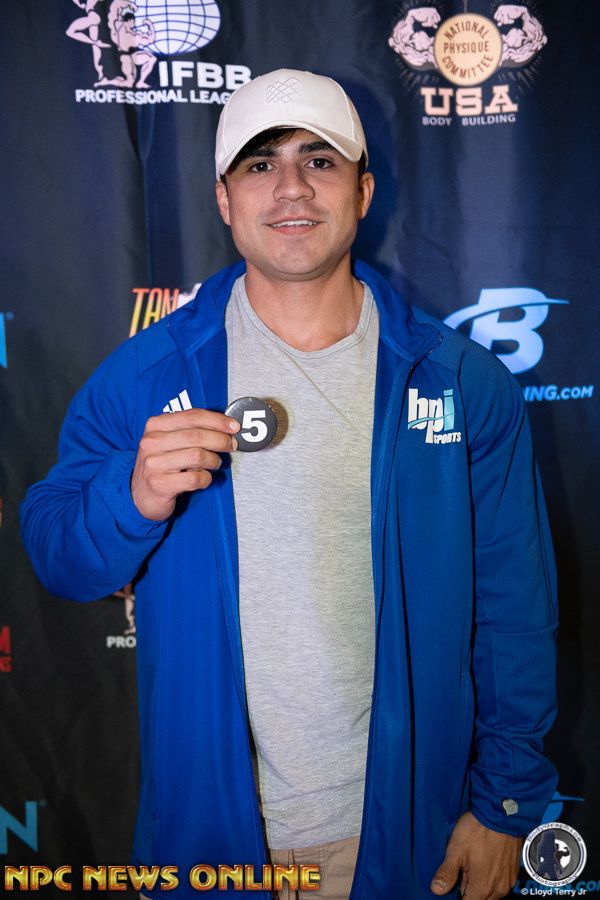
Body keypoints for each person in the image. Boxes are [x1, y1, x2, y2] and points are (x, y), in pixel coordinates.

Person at [20, 69, 558, 899]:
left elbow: (515, 609)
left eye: (320, 160)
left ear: (363, 191)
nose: (292, 187)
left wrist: (506, 803)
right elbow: (57, 555)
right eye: (260, 165)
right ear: (224, 199)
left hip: (404, 843)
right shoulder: (147, 375)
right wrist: (131, 498)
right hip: (212, 845)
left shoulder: (459, 380)